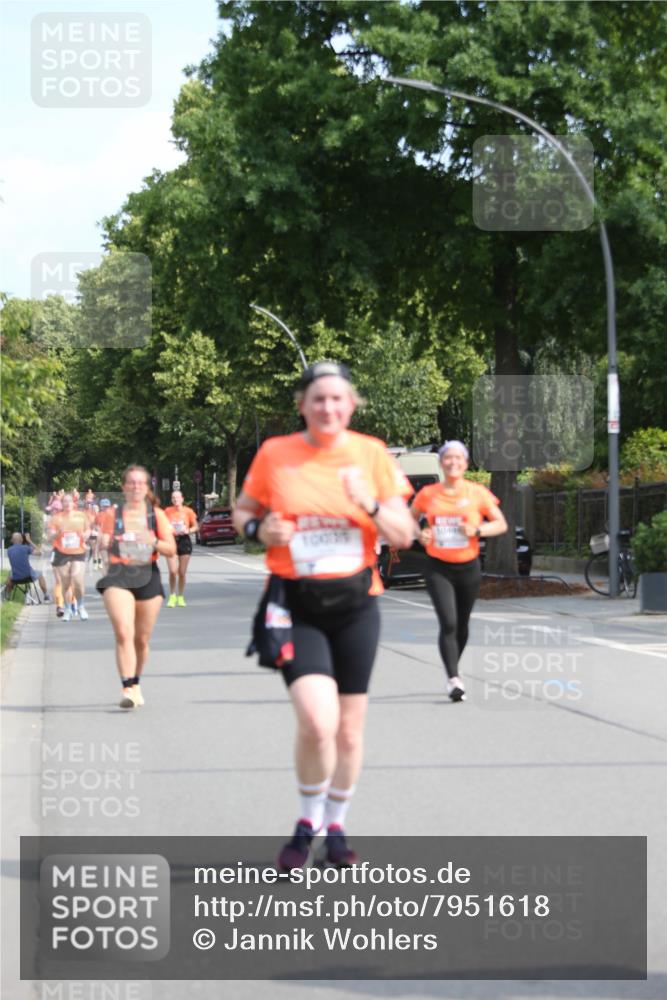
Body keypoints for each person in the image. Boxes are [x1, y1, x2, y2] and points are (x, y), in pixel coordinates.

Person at [233, 361, 413, 870]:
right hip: (297, 605)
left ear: (351, 404)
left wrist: (369, 504)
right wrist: (259, 531)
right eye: (318, 399)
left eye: (337, 399)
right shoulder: (276, 453)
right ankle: (306, 821)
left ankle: (335, 825)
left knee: (349, 732)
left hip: (356, 605)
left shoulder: (371, 454)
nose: (328, 407)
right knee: (317, 722)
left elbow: (404, 534)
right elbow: (244, 512)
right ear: (302, 406)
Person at [411, 440, 508, 702]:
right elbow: (410, 520)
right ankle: (453, 678)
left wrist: (477, 530)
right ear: (441, 463)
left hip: (468, 567)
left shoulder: (477, 493)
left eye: (458, 458)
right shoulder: (428, 494)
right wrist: (420, 534)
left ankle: (454, 665)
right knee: (449, 622)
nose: (453, 462)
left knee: (462, 624)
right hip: (438, 567)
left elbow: (500, 524)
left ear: (465, 463)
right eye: (448, 458)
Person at [96, 465, 176, 709]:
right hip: (118, 575)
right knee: (123, 632)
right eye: (131, 482)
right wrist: (105, 542)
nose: (135, 486)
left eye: (140, 482)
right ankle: (127, 688)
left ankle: (136, 682)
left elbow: (170, 549)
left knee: (141, 639)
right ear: (124, 487)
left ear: (146, 488)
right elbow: (103, 542)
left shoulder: (156, 515)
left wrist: (153, 540)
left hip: (147, 574)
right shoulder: (112, 514)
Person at [47, 493, 92, 621]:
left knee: (78, 581)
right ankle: (67, 609)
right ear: (62, 504)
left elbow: (88, 529)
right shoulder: (57, 518)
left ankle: (81, 606)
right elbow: (50, 536)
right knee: (65, 583)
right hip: (61, 552)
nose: (67, 504)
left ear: (74, 503)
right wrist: (58, 532)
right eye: (65, 501)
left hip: (78, 551)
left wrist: (86, 535)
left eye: (69, 501)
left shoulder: (81, 516)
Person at [163, 490, 199, 607]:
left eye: (177, 498)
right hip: (171, 541)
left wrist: (188, 530)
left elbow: (196, 526)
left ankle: (180, 596)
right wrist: (167, 529)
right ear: (171, 500)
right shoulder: (167, 511)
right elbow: (162, 525)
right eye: (173, 498)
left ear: (182, 499)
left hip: (184, 541)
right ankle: (172, 596)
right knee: (173, 571)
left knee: (182, 572)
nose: (175, 500)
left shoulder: (188, 511)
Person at [5, 532, 51, 602]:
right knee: (40, 574)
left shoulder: (9, 550)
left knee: (10, 573)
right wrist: (29, 541)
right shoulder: (26, 548)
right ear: (22, 540)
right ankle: (46, 595)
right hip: (28, 576)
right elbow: (40, 553)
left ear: (12, 540)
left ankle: (7, 596)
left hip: (15, 578)